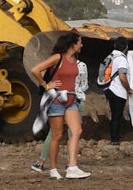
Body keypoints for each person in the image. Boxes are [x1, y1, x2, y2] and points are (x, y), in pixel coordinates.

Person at [28, 31, 90, 178]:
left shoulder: (75, 59)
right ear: (73, 44)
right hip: (56, 100)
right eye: (80, 42)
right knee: (57, 135)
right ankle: (53, 169)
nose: (82, 44)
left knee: (77, 131)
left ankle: (72, 167)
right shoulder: (58, 58)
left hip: (71, 99)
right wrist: (46, 85)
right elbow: (35, 70)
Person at [97, 47, 130, 146]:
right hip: (118, 90)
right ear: (126, 47)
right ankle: (115, 139)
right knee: (117, 115)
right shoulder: (122, 59)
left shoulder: (110, 56)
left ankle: (114, 137)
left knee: (114, 114)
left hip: (108, 89)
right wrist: (128, 88)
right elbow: (122, 77)